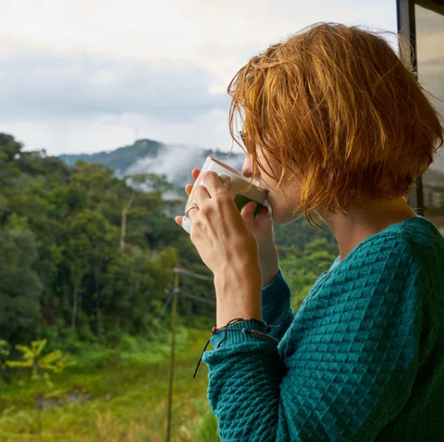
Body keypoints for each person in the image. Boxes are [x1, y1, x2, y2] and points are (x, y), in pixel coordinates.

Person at [175, 23, 444, 440]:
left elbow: (266, 435)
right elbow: (300, 386)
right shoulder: (381, 253)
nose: (247, 168)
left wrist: (232, 279)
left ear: (316, 132)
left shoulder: (394, 262)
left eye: (256, 141)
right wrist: (262, 270)